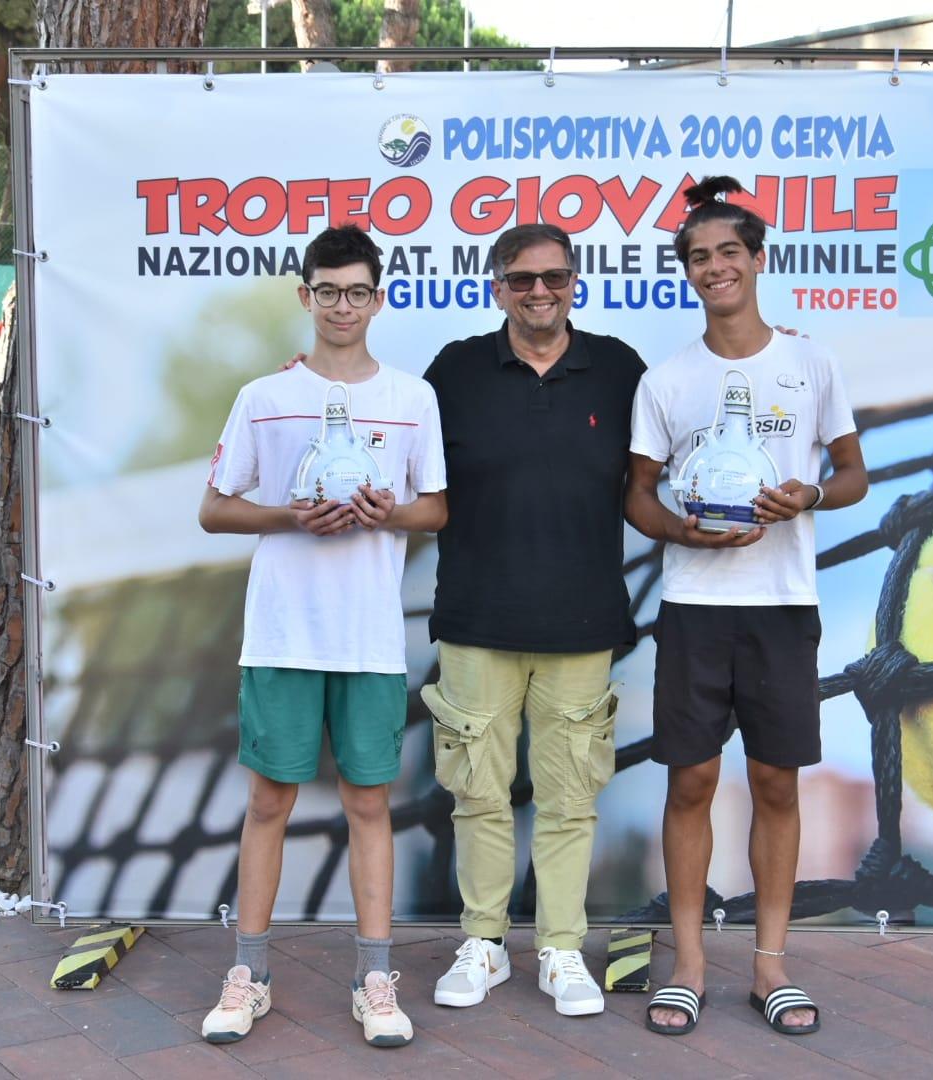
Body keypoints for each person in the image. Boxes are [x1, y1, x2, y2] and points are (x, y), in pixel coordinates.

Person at [625, 177, 869, 1038]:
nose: (715, 267)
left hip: (781, 605)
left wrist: (807, 497)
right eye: (699, 257)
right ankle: (690, 962)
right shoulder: (669, 379)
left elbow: (853, 474)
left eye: (729, 252)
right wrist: (682, 537)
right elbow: (640, 497)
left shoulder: (812, 364)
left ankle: (770, 964)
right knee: (690, 780)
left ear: (758, 260)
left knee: (775, 780)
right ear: (687, 273)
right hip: (693, 606)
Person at [197, 224, 446, 1049]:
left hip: (369, 641)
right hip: (281, 638)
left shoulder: (412, 400)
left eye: (358, 291)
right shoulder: (263, 396)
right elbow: (215, 508)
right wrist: (290, 515)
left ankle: (376, 977)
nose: (343, 305)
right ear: (306, 297)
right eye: (328, 290)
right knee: (269, 801)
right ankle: (250, 974)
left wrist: (387, 512)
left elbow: (435, 508)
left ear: (379, 298)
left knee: (369, 804)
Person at [420, 223, 646, 1017]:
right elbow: (399, 455)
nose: (539, 291)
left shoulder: (619, 369)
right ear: (497, 287)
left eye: (554, 277)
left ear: (575, 281)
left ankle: (558, 949)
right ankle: (483, 942)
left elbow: (666, 465)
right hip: (476, 620)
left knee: (569, 799)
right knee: (477, 797)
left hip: (584, 625)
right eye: (522, 280)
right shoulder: (453, 369)